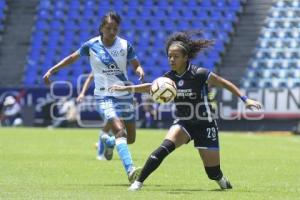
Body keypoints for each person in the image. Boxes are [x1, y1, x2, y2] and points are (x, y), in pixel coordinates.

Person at [110, 31, 262, 191]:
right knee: (164, 148)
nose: (171, 59)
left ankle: (221, 179)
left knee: (212, 173)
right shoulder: (168, 78)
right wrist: (126, 88)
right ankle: (137, 183)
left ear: (185, 58)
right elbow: (150, 87)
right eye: (169, 56)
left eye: (175, 56)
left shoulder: (200, 74)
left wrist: (246, 100)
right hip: (184, 122)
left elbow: (224, 83)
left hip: (205, 124)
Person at [43, 11, 145, 183]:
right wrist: (52, 70)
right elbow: (71, 58)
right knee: (120, 130)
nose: (112, 31)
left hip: (125, 94)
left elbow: (136, 65)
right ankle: (130, 170)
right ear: (101, 28)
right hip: (104, 95)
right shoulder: (91, 45)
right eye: (108, 28)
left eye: (115, 28)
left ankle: (110, 142)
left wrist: (139, 71)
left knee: (131, 138)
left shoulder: (125, 45)